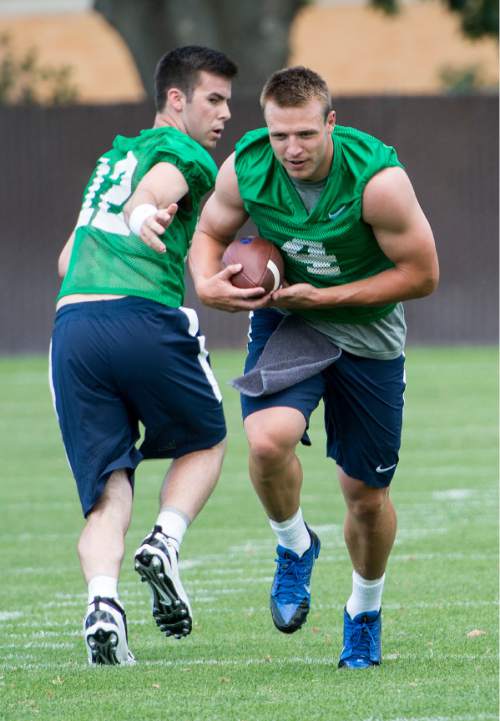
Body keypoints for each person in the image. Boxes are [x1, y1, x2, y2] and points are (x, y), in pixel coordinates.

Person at [187, 66, 439, 668]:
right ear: (265, 130)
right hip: (289, 322)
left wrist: (326, 297)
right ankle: (293, 547)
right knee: (266, 442)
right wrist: (206, 282)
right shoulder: (247, 168)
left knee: (365, 496)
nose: (292, 149)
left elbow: (423, 277)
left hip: (369, 334)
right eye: (279, 136)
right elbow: (208, 231)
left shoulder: (378, 182)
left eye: (304, 134)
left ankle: (364, 609)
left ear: (331, 123)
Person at [49, 46, 255, 666]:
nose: (223, 115)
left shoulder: (112, 156)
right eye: (213, 99)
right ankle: (164, 542)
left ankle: (103, 603)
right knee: (208, 440)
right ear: (176, 99)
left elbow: (66, 260)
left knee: (108, 485)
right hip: (139, 316)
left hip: (73, 325)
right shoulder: (186, 153)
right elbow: (154, 189)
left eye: (227, 101)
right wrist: (145, 213)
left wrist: (132, 216)